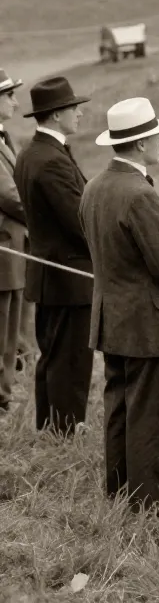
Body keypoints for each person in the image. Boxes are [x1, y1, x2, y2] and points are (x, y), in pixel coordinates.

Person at [80, 97, 159, 510]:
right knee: (152, 412)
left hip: (111, 317)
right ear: (142, 144)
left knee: (119, 405)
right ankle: (150, 501)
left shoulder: (94, 187)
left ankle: (119, 489)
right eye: (157, 136)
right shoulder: (138, 194)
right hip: (147, 323)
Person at [14, 76, 94, 436]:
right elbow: (79, 222)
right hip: (69, 276)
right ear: (58, 113)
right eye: (74, 108)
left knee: (52, 354)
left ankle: (49, 425)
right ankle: (65, 429)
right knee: (70, 358)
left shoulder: (32, 153)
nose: (79, 113)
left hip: (50, 274)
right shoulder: (50, 160)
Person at [0, 69, 28, 414]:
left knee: (11, 325)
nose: (15, 101)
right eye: (9, 95)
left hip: (14, 247)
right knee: (2, 324)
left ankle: (4, 392)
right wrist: (43, 218)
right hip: (5, 247)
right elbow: (10, 196)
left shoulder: (6, 137)